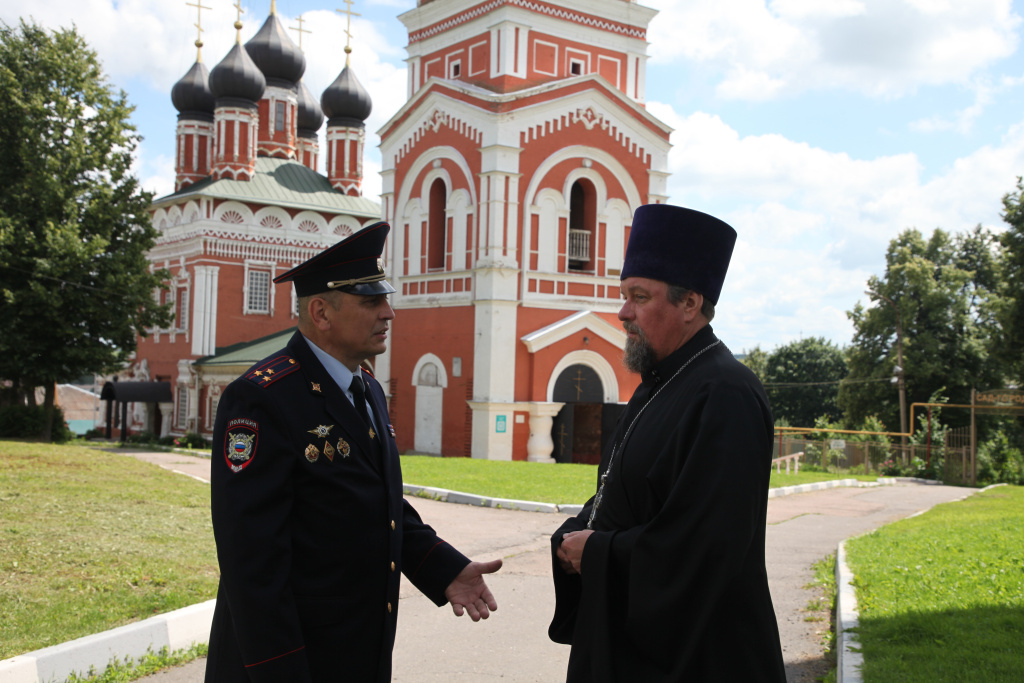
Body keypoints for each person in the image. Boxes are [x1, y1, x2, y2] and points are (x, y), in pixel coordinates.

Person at [205, 222, 501, 683]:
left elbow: (376, 501)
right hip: (292, 661)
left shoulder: (365, 388)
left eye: (385, 299)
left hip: (356, 653)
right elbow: (251, 561)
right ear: (321, 312)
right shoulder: (263, 398)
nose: (389, 313)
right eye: (371, 302)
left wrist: (442, 567)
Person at [548, 204, 786, 682]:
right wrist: (576, 531)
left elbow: (707, 546)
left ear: (689, 304)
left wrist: (597, 552)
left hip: (697, 658)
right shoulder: (659, 382)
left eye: (639, 296)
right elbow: (626, 493)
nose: (622, 312)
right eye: (623, 295)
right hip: (633, 646)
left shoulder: (725, 393)